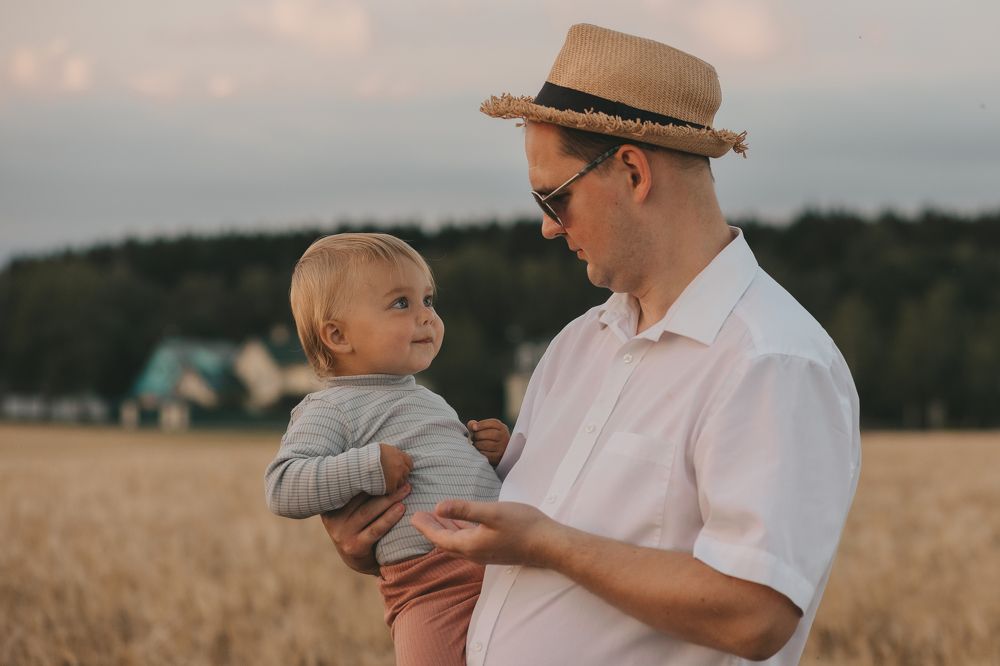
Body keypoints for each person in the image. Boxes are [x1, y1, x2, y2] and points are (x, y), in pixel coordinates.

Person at [323, 24, 861, 665]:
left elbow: (756, 613)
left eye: (555, 197)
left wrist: (550, 544)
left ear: (633, 170)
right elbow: (511, 545)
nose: (548, 228)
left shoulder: (771, 361)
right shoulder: (580, 344)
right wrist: (388, 542)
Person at [263, 232, 510, 666]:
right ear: (338, 335)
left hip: (503, 559)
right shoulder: (331, 407)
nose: (427, 317)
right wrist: (368, 467)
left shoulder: (427, 397)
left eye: (429, 300)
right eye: (402, 304)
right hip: (428, 584)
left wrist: (496, 453)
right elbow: (282, 485)